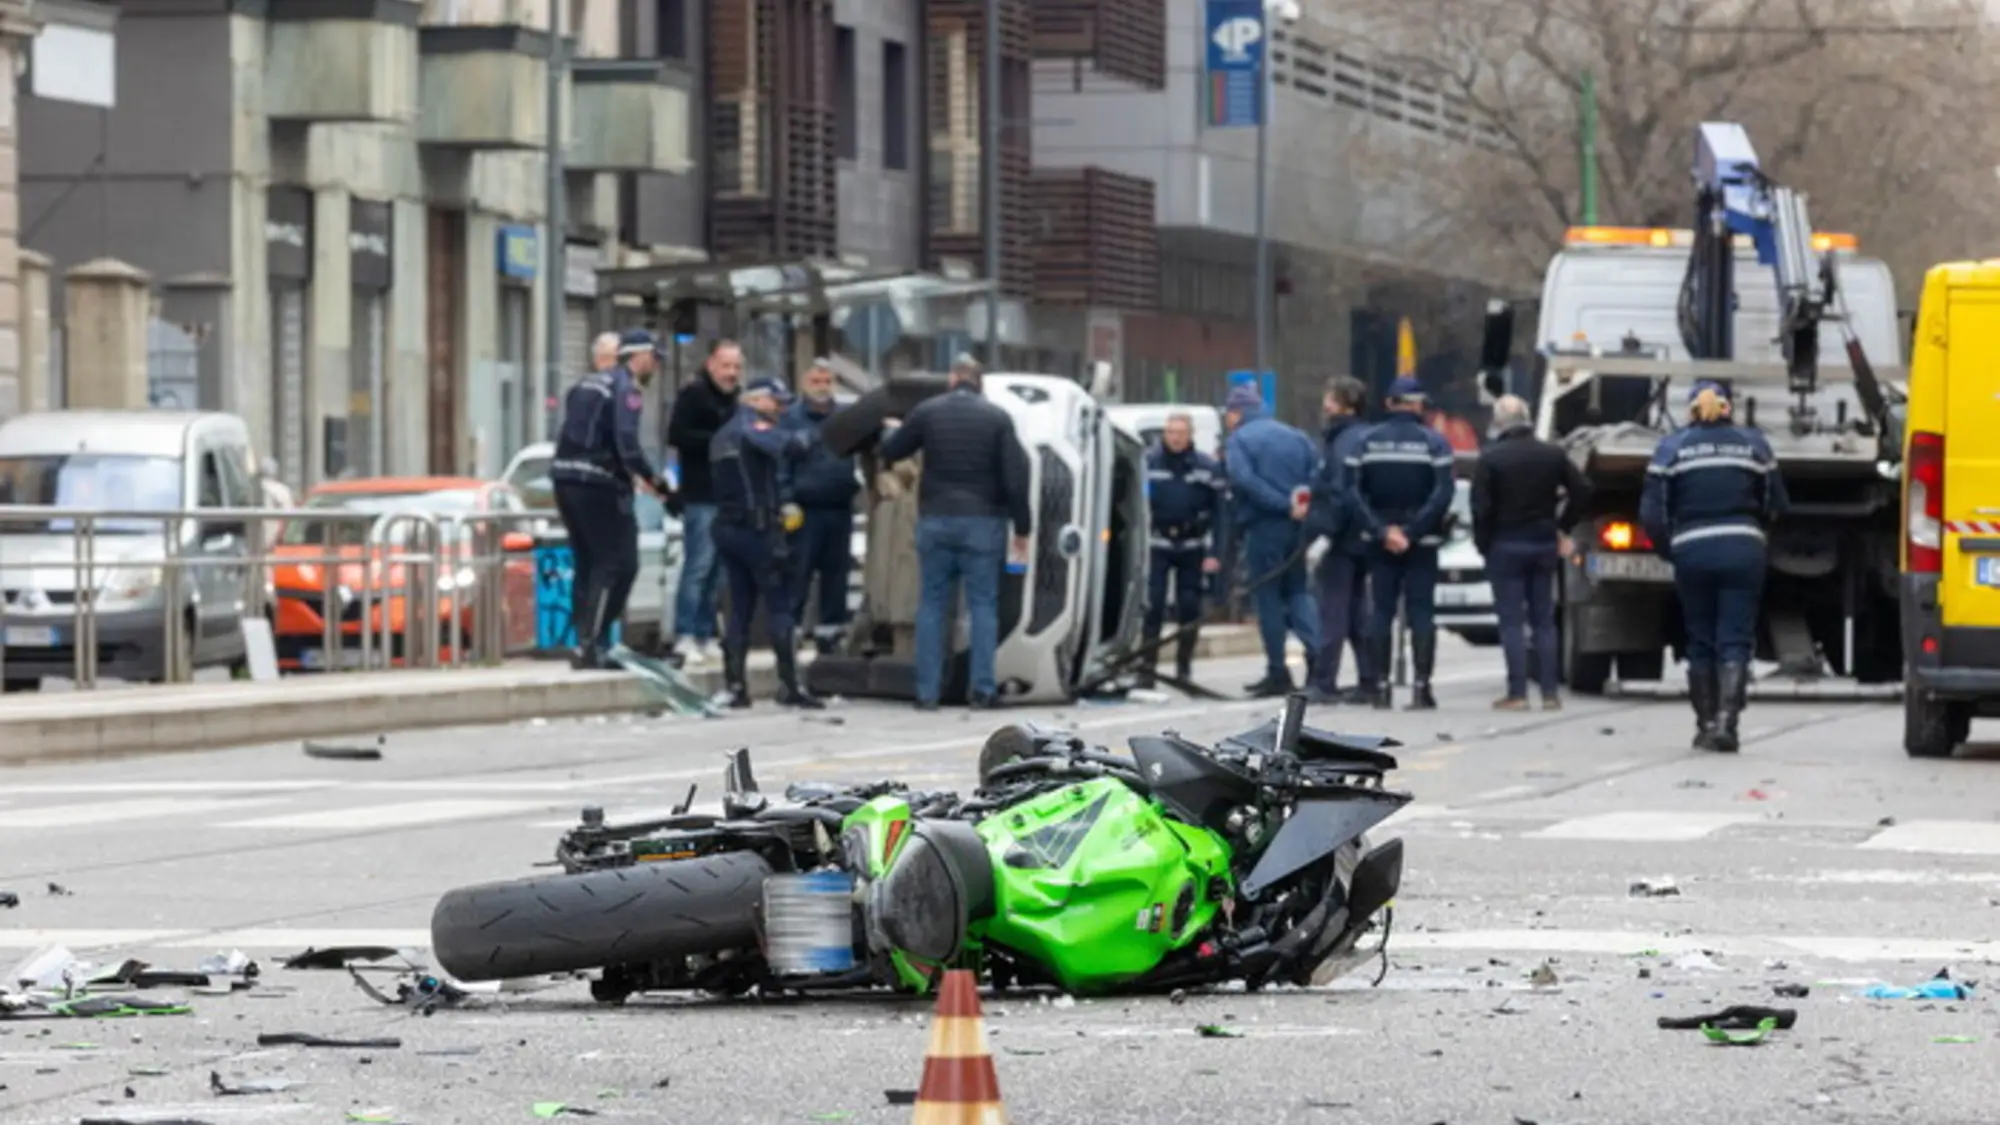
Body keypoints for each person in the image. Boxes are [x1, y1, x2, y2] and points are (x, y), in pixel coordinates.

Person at [877, 354, 1032, 711]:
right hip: (983, 522)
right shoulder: (997, 417)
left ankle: (927, 693)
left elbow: (893, 449)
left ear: (952, 379)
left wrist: (890, 428)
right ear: (980, 382)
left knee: (931, 606)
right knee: (982, 607)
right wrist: (1022, 527)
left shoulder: (928, 411)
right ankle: (981, 690)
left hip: (936, 520)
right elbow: (1015, 478)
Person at [1640, 380, 1788, 753]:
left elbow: (1653, 514)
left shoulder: (1670, 448)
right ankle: (1728, 722)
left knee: (1700, 639)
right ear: (1729, 407)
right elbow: (1776, 502)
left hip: (1692, 550)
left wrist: (1671, 549)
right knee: (1735, 638)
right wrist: (1758, 536)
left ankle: (1705, 722)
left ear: (1691, 410)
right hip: (1743, 549)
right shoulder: (1754, 444)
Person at [549, 329, 670, 670]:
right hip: (599, 483)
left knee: (586, 564)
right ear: (639, 356)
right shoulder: (626, 389)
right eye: (655, 358)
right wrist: (652, 479)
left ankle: (583, 642)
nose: (656, 366)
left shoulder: (585, 384)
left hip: (565, 479)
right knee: (618, 563)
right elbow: (626, 441)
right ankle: (595, 643)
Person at [1472, 393, 1592, 711]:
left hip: (1505, 544)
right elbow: (1582, 490)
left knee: (1512, 621)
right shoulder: (1552, 455)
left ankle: (1518, 692)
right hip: (1542, 543)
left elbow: (1480, 510)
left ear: (1499, 422)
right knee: (1543, 620)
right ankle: (1550, 693)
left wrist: (1484, 546)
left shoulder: (1491, 458)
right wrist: (1562, 525)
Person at [711, 375, 824, 710]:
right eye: (776, 402)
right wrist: (813, 434)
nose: (781, 409)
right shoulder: (750, 428)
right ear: (756, 400)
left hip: (728, 530)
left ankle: (735, 685)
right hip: (757, 531)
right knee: (779, 606)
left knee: (739, 610)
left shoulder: (721, 435)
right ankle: (789, 685)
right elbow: (790, 448)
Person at [1346, 375, 1455, 710]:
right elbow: (1443, 493)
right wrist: (1413, 532)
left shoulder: (1365, 442)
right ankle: (1422, 688)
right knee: (1422, 611)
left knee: (1380, 612)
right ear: (1419, 405)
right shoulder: (1434, 443)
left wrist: (1383, 531)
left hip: (1379, 542)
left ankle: (1380, 687)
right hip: (1422, 542)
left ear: (1389, 404)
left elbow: (1352, 493)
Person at [1222, 384, 1322, 698]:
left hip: (1264, 526)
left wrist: (1280, 504)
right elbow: (1317, 473)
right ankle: (1318, 657)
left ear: (1237, 413)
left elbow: (1244, 479)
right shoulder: (1297, 436)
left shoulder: (1240, 440)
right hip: (1297, 528)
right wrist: (1301, 505)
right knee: (1298, 591)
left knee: (1268, 598)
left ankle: (1277, 670)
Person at [667, 339, 743, 667]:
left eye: (737, 367)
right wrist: (719, 441)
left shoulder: (737, 401)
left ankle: (705, 631)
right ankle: (684, 633)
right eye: (726, 366)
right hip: (701, 494)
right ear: (711, 364)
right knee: (698, 565)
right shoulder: (694, 394)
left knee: (717, 571)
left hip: (727, 496)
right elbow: (677, 434)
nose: (731, 373)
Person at [1139, 413, 1225, 688]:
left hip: (1192, 545)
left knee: (1189, 607)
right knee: (1153, 605)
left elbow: (1220, 513)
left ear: (1190, 435)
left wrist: (1216, 553)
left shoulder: (1206, 467)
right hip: (1158, 544)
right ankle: (1147, 669)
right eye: (1170, 432)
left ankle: (1184, 668)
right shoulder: (1149, 463)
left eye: (1180, 432)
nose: (1175, 437)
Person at [784, 359, 860, 654]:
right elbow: (781, 462)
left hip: (839, 506)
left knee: (836, 576)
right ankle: (789, 634)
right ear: (804, 383)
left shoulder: (845, 417)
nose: (822, 387)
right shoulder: (790, 417)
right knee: (797, 574)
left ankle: (830, 636)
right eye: (816, 381)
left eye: (827, 382)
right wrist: (785, 498)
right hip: (804, 509)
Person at [1307, 375, 1375, 704]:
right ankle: (1369, 679)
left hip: (1341, 539)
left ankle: (1324, 682)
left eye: (1331, 400)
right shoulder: (1361, 436)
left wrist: (1325, 535)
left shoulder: (1343, 441)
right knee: (1357, 613)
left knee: (1333, 612)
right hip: (1360, 537)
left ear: (1346, 405)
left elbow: (1341, 492)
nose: (1325, 405)